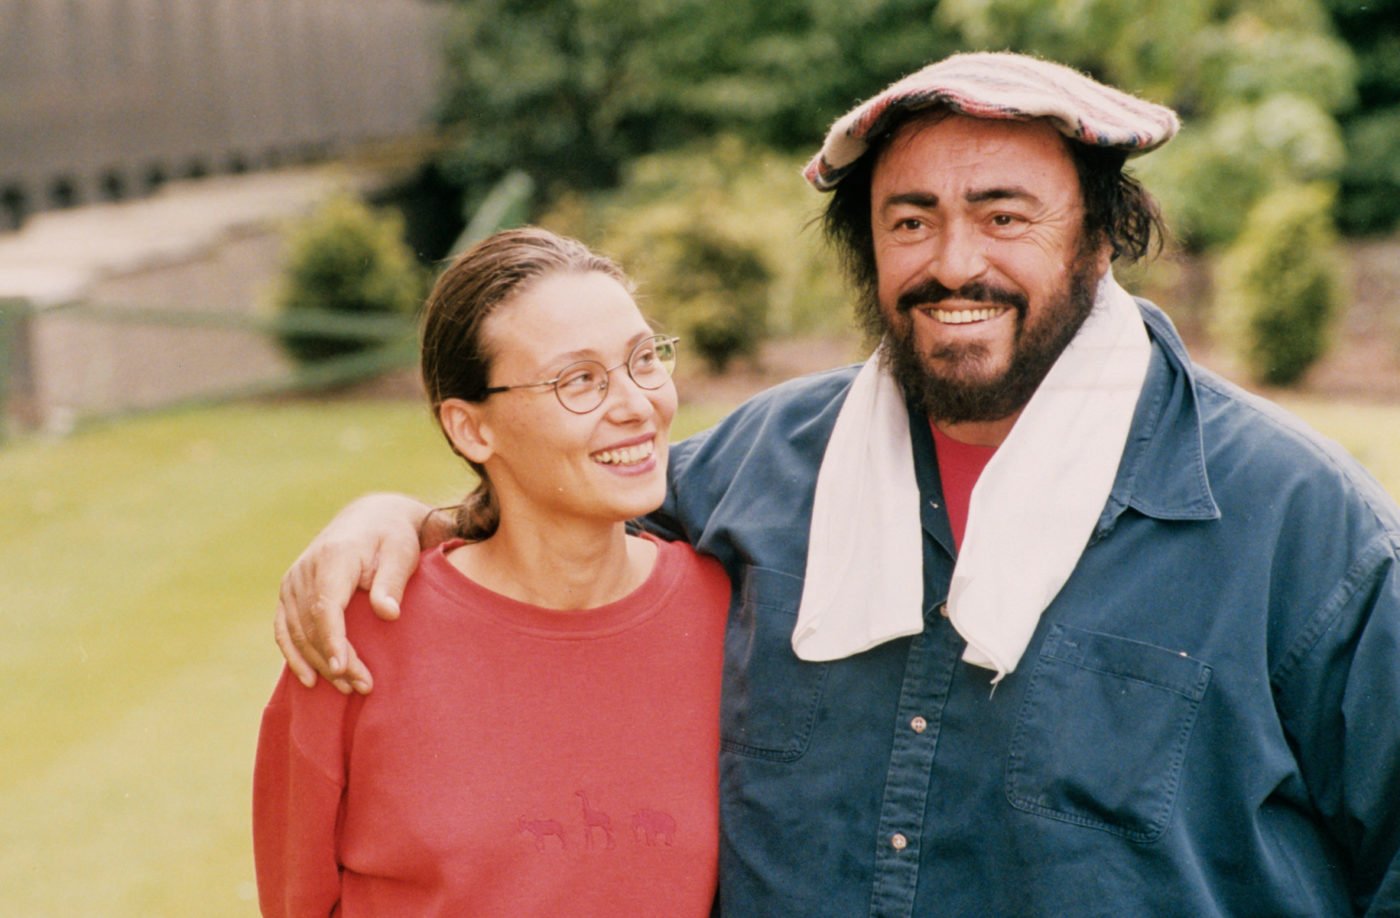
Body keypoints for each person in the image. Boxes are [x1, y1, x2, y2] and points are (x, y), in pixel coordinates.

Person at [272, 53, 1400, 915]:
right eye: (910, 221)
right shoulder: (759, 470)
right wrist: (398, 518)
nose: (953, 261)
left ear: (1100, 237)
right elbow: (554, 515)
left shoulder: (1298, 524)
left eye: (1004, 215)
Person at [253, 227, 728, 916]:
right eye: (579, 380)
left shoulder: (728, 615)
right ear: (471, 429)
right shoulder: (356, 636)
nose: (635, 405)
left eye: (644, 359)